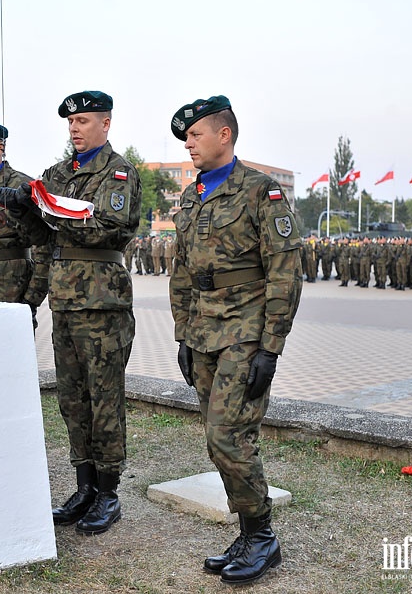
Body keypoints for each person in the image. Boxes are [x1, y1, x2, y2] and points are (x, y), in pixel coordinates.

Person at [168, 96, 302, 585]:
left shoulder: (261, 192)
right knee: (217, 438)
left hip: (245, 331)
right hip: (203, 330)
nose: (189, 142)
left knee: (228, 435)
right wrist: (183, 334)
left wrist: (271, 347)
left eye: (196, 134)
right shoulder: (192, 196)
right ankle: (249, 533)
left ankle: (262, 536)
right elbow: (182, 272)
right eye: (186, 136)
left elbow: (286, 273)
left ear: (224, 134)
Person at [0, 90, 141, 535]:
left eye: (83, 121)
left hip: (102, 303)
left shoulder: (119, 173)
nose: (75, 129)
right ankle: (84, 486)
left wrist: (53, 211)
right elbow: (40, 232)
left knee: (104, 399)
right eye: (70, 123)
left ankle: (109, 492)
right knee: (72, 399)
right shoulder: (55, 174)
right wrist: (22, 209)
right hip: (64, 301)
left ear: (106, 124)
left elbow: (107, 228)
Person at [0, 118, 49, 328]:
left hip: (10, 297)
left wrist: (31, 299)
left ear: (0, 148)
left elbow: (45, 245)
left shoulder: (21, 187)